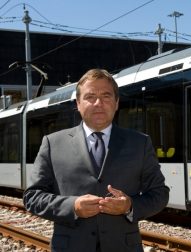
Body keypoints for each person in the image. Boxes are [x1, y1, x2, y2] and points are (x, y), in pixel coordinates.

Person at [23, 69, 170, 251]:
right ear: (78, 103)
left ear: (116, 103)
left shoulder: (140, 142)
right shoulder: (52, 143)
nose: (98, 103)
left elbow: (160, 194)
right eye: (90, 97)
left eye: (106, 96)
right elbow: (32, 197)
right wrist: (73, 206)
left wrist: (129, 206)